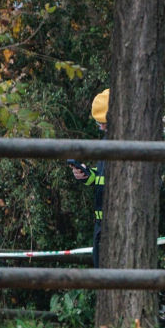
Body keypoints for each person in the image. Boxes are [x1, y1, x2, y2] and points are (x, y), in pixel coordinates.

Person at [69, 89, 108, 266]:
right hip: (102, 224)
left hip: (115, 225)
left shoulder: (121, 144)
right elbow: (103, 179)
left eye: (104, 123)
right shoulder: (106, 143)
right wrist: (86, 175)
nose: (101, 127)